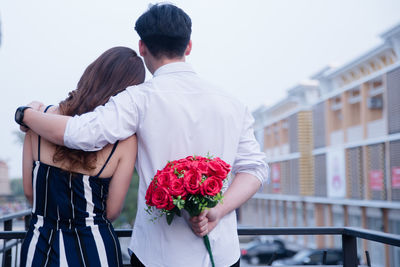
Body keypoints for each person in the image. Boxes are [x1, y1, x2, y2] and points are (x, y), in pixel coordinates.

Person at [16, 3, 269, 267]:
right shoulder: (232, 103)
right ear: (189, 46)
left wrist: (27, 114)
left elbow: (82, 133)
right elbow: (255, 168)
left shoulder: (137, 99)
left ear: (142, 47)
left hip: (156, 255)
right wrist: (218, 209)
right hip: (221, 253)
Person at [19, 47, 145, 267]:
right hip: (94, 246)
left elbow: (29, 192)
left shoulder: (38, 120)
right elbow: (113, 211)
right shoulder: (125, 141)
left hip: (41, 242)